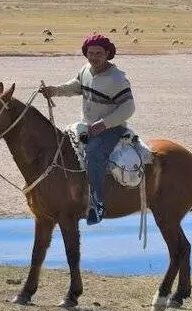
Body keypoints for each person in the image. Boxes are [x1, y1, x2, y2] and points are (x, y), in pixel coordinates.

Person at [39, 33, 135, 225]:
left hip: (111, 129)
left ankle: (97, 204)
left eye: (98, 53)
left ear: (108, 53)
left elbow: (128, 108)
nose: (94, 57)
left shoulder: (117, 79)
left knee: (93, 154)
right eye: (90, 53)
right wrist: (54, 90)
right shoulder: (86, 70)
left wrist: (104, 124)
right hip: (87, 125)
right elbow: (75, 87)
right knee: (62, 144)